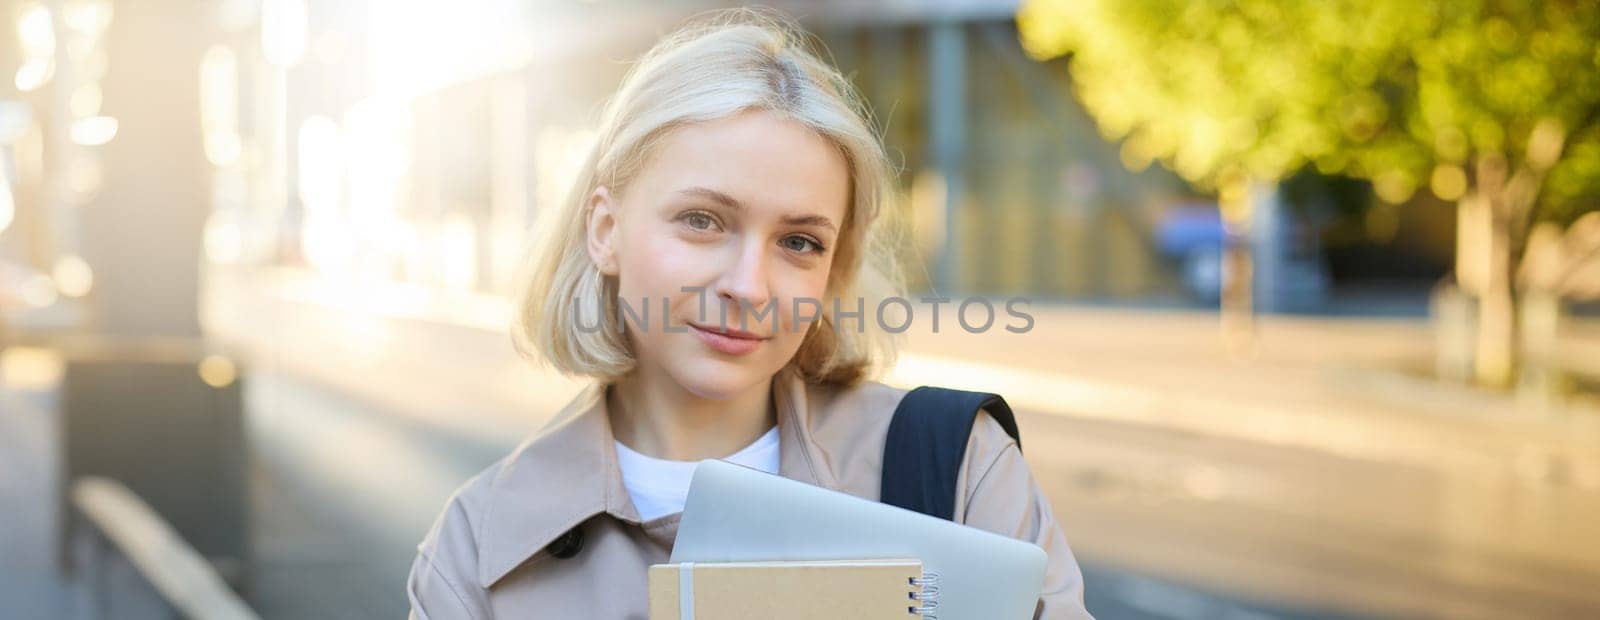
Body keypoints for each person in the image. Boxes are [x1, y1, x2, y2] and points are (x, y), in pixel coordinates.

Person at [407, 9, 1092, 619]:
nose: (749, 285)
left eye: (799, 242)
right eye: (703, 221)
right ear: (605, 230)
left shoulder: (960, 469)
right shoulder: (476, 547)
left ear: (833, 271)